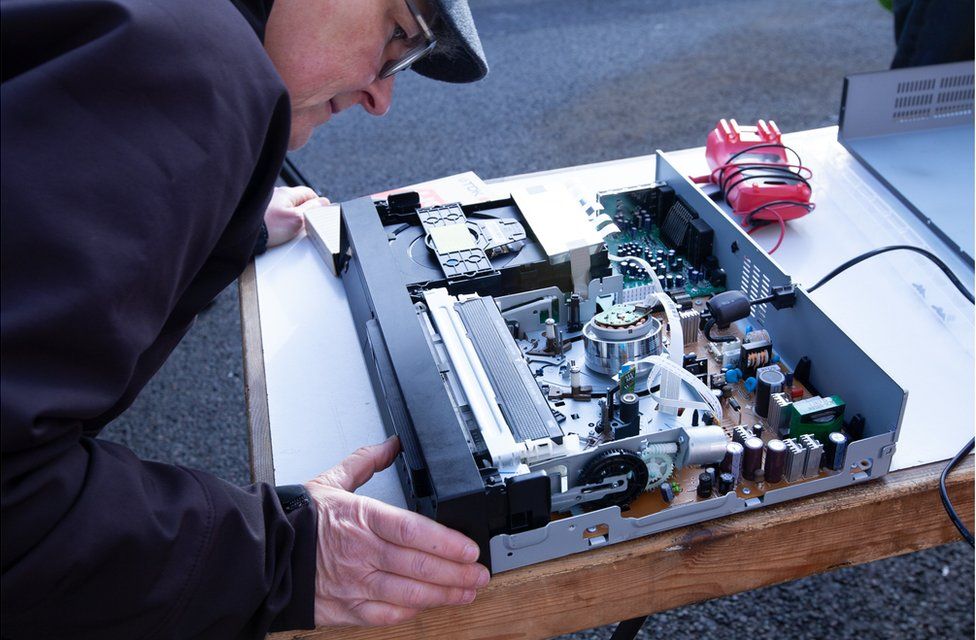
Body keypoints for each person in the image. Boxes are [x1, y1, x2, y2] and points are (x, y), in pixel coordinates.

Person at [0, 0, 491, 637]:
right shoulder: (191, 67)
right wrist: (286, 556)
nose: (381, 96)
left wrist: (226, 226)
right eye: (397, 32)